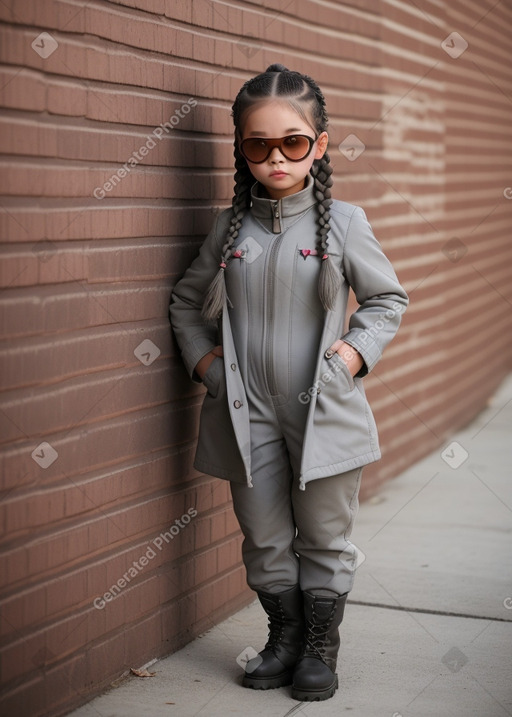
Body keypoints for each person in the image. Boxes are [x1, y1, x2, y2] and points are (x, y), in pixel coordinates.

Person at [169, 64, 408, 702]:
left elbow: (387, 302)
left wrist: (352, 358)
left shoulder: (347, 224)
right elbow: (186, 305)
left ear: (319, 145)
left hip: (324, 408)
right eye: (258, 144)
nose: (276, 157)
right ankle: (283, 641)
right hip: (245, 411)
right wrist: (208, 368)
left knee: (326, 535)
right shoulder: (229, 228)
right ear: (241, 148)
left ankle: (321, 651)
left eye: (293, 142)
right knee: (266, 536)